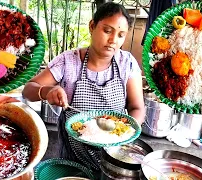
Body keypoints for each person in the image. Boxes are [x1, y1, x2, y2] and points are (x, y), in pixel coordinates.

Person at [22, 2, 145, 173]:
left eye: (121, 35)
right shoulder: (68, 62)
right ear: (92, 26)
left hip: (113, 156)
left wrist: (124, 134)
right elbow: (28, 90)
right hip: (73, 157)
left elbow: (137, 108)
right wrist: (47, 91)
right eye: (107, 31)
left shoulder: (127, 63)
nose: (113, 40)